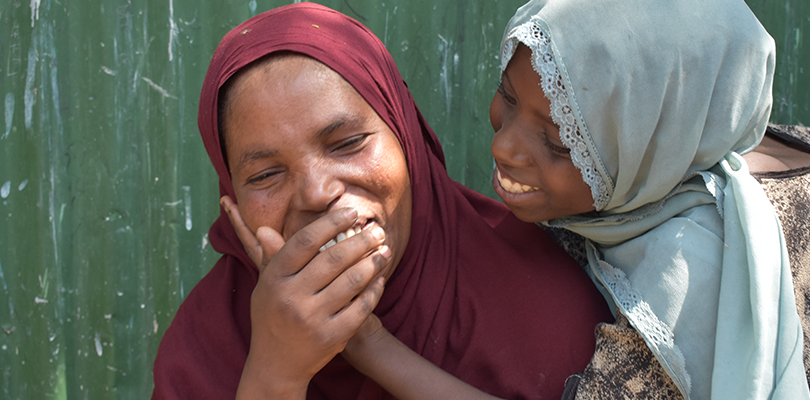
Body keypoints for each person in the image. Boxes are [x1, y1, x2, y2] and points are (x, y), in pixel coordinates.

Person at [343, 0, 810, 399]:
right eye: (508, 96)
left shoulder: (685, 282)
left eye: (560, 143)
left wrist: (369, 345)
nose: (503, 147)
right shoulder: (687, 144)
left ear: (647, 143)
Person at [150, 3, 613, 399]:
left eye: (347, 144)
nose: (318, 193)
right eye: (266, 175)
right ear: (232, 202)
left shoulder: (547, 315)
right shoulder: (205, 349)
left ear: (407, 139)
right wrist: (275, 374)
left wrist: (365, 343)